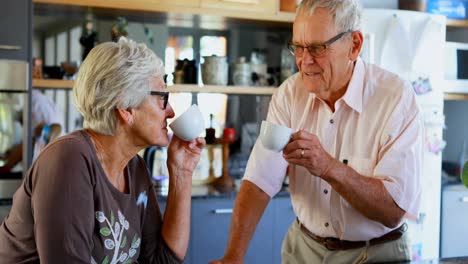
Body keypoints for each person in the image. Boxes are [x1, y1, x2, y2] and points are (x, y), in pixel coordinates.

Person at [212, 0, 423, 263]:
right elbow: (259, 180)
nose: (304, 61)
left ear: (354, 45)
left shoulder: (395, 99)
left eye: (317, 48)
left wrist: (328, 167)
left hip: (376, 253)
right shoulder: (289, 95)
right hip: (304, 248)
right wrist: (233, 255)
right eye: (298, 48)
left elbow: (393, 211)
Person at [0, 37, 206, 263]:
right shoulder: (69, 159)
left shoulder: (134, 168)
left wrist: (181, 172)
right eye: (163, 98)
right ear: (127, 108)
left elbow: (162, 260)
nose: (171, 111)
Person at [0, 89, 64, 176]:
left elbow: (32, 142)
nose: (21, 124)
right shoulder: (35, 100)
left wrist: (7, 167)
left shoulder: (34, 105)